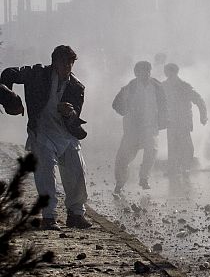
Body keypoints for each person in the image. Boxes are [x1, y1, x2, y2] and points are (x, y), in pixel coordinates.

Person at [1, 45, 92, 229]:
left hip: (66, 135)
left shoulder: (76, 87)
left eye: (70, 62)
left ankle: (76, 214)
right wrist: (10, 98)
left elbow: (75, 122)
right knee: (46, 173)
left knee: (77, 172)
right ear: (54, 62)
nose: (67, 66)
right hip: (41, 132)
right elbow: (8, 74)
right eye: (63, 62)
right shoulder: (37, 74)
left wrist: (70, 113)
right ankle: (49, 217)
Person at [112, 61, 167, 193]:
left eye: (148, 71)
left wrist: (164, 119)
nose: (146, 74)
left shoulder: (157, 87)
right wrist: (126, 112)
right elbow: (116, 104)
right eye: (142, 71)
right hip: (132, 129)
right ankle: (119, 184)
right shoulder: (130, 87)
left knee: (152, 151)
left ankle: (143, 178)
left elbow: (164, 104)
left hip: (150, 127)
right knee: (123, 159)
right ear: (136, 73)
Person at [162, 63, 207, 178]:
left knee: (185, 145)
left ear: (174, 72)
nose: (167, 74)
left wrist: (203, 116)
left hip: (183, 120)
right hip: (171, 120)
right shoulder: (163, 86)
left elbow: (199, 100)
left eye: (168, 72)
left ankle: (185, 167)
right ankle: (174, 168)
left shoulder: (184, 86)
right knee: (173, 145)